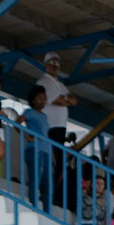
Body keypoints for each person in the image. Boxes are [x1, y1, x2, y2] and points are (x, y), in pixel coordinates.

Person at [37, 52, 78, 204]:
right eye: (51, 63)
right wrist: (65, 100)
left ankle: (54, 193)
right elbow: (56, 100)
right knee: (51, 161)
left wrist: (65, 100)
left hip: (60, 129)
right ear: (45, 65)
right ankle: (45, 192)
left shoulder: (60, 84)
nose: (54, 66)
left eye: (56, 63)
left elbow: (72, 99)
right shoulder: (43, 82)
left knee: (59, 163)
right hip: (50, 127)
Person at [18, 84, 51, 212]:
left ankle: (47, 212)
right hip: (34, 149)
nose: (43, 101)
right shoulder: (30, 112)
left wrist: (52, 155)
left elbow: (46, 135)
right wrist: (26, 135)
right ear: (33, 100)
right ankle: (34, 207)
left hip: (46, 151)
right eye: (40, 98)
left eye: (44, 98)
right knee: (35, 180)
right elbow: (17, 121)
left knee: (48, 184)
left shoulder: (44, 116)